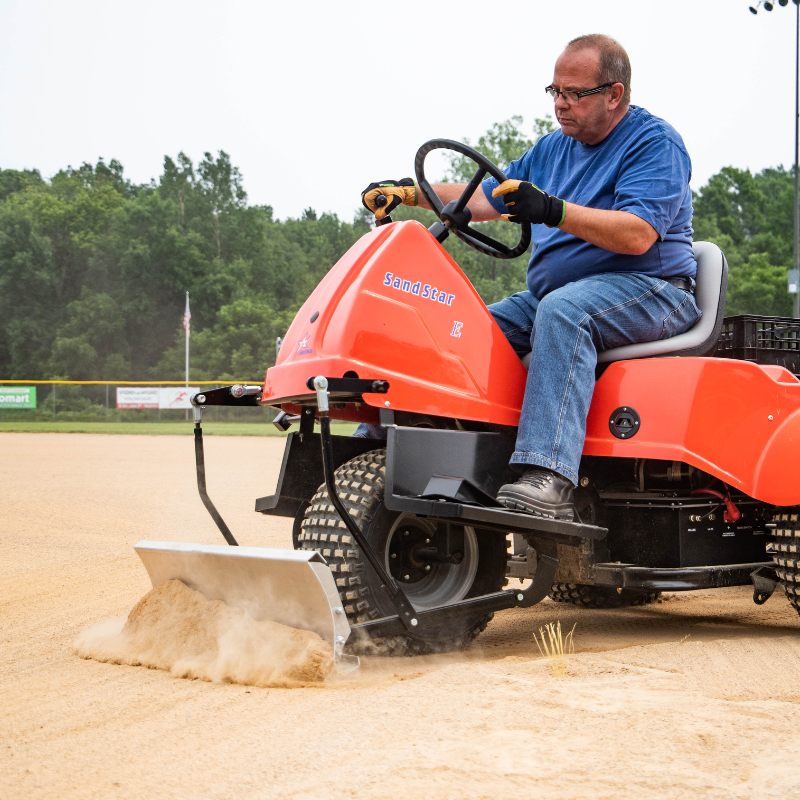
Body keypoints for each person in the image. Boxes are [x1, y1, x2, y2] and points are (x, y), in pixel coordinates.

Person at [359, 34, 700, 521]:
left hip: (653, 290)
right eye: (555, 91)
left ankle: (549, 475)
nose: (561, 104)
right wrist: (410, 194)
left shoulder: (654, 143)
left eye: (575, 93)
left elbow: (638, 235)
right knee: (461, 328)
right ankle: (374, 446)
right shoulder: (553, 149)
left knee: (564, 313)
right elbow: (483, 198)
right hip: (557, 294)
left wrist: (553, 209)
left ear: (614, 94)